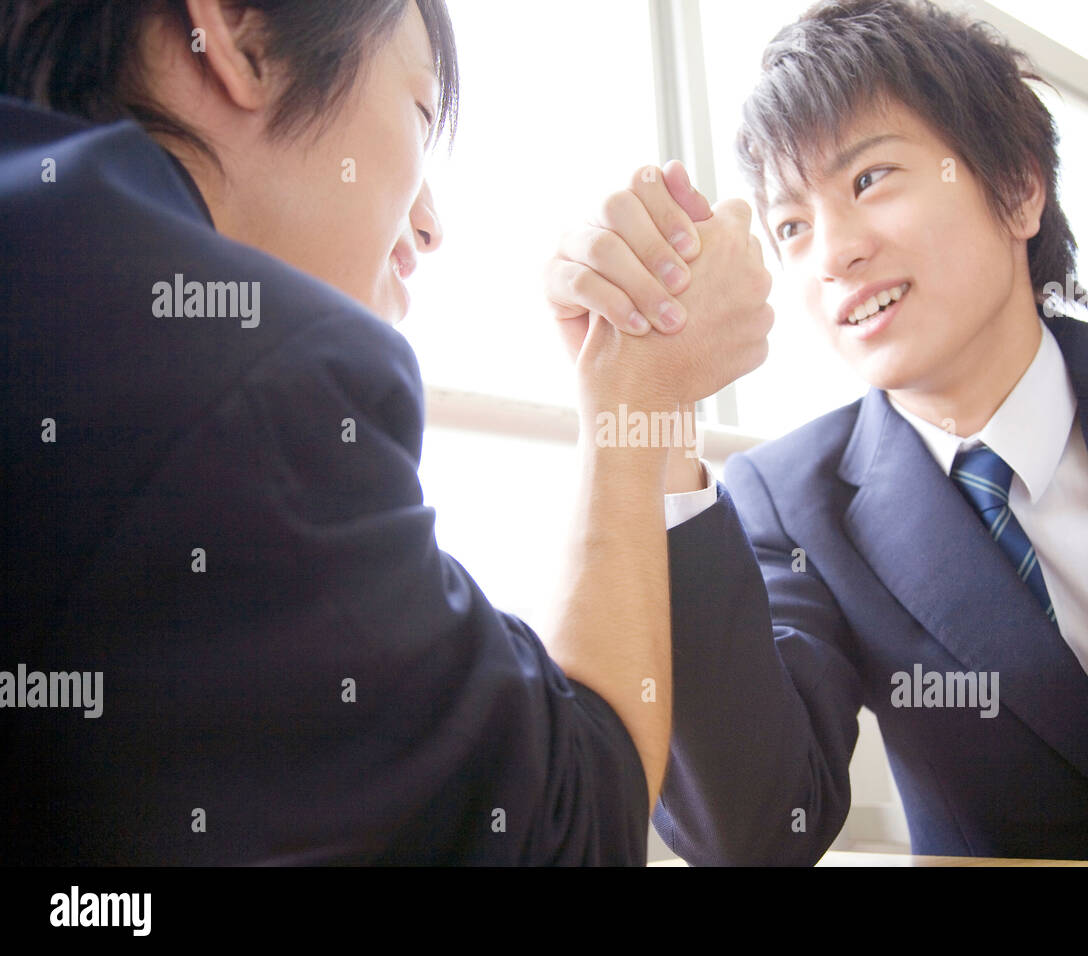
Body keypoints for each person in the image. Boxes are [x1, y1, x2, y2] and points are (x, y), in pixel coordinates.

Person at [0, 0, 772, 863]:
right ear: (239, 33)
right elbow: (567, 826)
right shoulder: (253, 380)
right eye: (417, 107)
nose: (431, 224)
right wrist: (639, 384)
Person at [545, 0, 1088, 864]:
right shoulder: (792, 505)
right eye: (792, 225)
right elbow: (749, 829)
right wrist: (657, 416)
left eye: (869, 180)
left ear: (1017, 189)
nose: (832, 252)